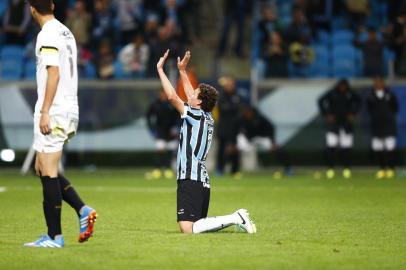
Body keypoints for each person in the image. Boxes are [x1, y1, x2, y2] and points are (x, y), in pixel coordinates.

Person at [157, 49, 256, 234]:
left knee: (187, 228)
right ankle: (236, 219)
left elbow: (172, 97)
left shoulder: (195, 114)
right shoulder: (206, 116)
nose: (190, 93)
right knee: (196, 227)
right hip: (202, 181)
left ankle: (237, 217)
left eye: (194, 93)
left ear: (200, 102)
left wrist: (161, 70)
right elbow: (190, 96)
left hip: (191, 177)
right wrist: (182, 71)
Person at [24, 0, 97, 248]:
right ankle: (82, 209)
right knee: (42, 167)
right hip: (66, 106)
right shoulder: (65, 30)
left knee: (48, 170)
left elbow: (53, 72)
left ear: (32, 9)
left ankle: (55, 237)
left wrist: (45, 110)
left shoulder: (47, 34)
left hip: (54, 109)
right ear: (52, 5)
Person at [318, 79, 361, 179]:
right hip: (333, 125)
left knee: (346, 148)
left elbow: (359, 102)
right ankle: (330, 169)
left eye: (344, 86)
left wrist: (353, 113)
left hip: (346, 125)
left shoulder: (350, 94)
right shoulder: (332, 93)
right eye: (341, 86)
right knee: (331, 147)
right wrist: (327, 114)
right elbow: (320, 101)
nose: (342, 88)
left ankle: (346, 169)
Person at [237, 106, 292, 176]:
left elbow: (271, 127)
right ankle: (233, 169)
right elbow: (238, 130)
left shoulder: (260, 118)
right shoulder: (241, 119)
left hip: (263, 138)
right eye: (244, 112)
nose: (246, 113)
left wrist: (272, 141)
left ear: (251, 112)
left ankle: (288, 168)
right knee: (235, 147)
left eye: (247, 112)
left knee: (276, 149)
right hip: (250, 138)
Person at [367, 77, 399, 179]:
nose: (377, 84)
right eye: (375, 82)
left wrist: (388, 116)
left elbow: (395, 108)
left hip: (389, 125)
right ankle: (381, 169)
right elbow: (369, 110)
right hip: (377, 126)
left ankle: (391, 169)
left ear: (383, 83)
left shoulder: (390, 95)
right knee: (379, 149)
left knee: (390, 148)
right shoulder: (370, 96)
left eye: (379, 82)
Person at [146, 90, 179, 179]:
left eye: (165, 94)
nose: (164, 95)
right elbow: (148, 116)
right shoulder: (155, 104)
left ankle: (168, 170)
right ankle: (157, 170)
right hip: (160, 131)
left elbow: (178, 116)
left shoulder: (172, 104)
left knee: (170, 152)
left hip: (171, 133)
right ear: (160, 94)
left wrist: (176, 127)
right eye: (162, 93)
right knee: (160, 150)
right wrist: (152, 129)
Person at [216, 76, 242, 177]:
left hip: (234, 127)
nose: (231, 86)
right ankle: (220, 169)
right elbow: (223, 108)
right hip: (223, 126)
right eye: (229, 84)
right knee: (221, 149)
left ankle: (235, 170)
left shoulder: (237, 96)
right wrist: (233, 107)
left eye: (232, 84)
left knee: (234, 149)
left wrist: (231, 107)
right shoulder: (221, 96)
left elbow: (238, 108)